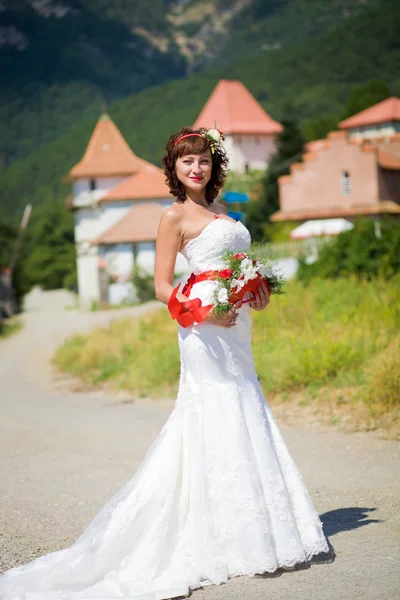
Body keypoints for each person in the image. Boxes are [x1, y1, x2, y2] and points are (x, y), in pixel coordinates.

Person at [0, 127, 330, 600]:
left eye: (204, 161)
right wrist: (205, 312)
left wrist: (257, 296)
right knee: (211, 409)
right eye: (187, 162)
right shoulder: (173, 217)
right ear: (174, 170)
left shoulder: (226, 215)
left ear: (215, 166)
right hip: (201, 324)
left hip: (235, 325)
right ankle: (206, 532)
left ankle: (249, 527)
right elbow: (161, 287)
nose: (197, 169)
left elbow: (241, 270)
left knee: (243, 403)